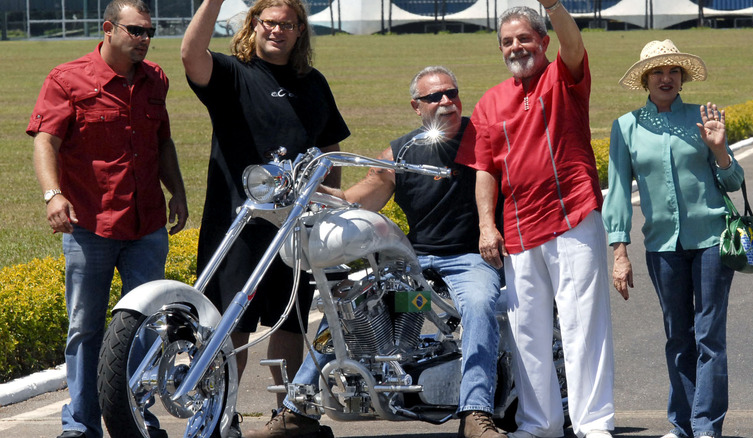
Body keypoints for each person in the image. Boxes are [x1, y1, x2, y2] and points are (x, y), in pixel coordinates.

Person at [247, 66, 506, 438]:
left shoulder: (481, 137)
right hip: (416, 268)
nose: (446, 102)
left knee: (479, 304)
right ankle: (298, 411)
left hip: (469, 259)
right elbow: (358, 199)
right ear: (416, 106)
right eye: (434, 97)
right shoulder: (400, 152)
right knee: (350, 305)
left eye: (451, 93)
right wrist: (312, 191)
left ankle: (475, 414)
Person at [181, 0, 350, 435]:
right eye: (269, 23)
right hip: (239, 224)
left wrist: (327, 195)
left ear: (299, 33)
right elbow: (190, 56)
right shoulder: (232, 74)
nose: (277, 31)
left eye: (287, 25)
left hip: (296, 226)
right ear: (254, 26)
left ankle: (292, 414)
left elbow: (330, 147)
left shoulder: (312, 82)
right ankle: (221, 415)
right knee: (230, 325)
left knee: (290, 321)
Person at [455, 3, 620, 438]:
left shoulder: (562, 76)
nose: (516, 47)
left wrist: (552, 6)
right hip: (519, 229)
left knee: (582, 324)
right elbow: (484, 168)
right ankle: (539, 424)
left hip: (573, 217)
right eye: (507, 41)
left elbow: (575, 42)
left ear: (543, 41)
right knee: (526, 332)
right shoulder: (490, 101)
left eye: (525, 38)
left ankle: (593, 423)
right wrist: (486, 226)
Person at [26, 0, 188, 437]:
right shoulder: (67, 79)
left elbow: (163, 141)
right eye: (135, 31)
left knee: (146, 329)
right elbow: (46, 142)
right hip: (89, 226)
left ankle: (136, 418)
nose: (144, 40)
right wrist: (52, 194)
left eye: (149, 32)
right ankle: (81, 424)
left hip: (147, 223)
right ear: (108, 28)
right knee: (85, 328)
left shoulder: (156, 79)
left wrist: (178, 191)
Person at [603, 40, 744, 438]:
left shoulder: (703, 118)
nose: (666, 78)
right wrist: (619, 252)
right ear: (645, 80)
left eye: (674, 72)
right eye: (658, 73)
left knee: (709, 335)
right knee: (677, 337)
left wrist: (720, 150)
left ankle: (705, 427)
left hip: (713, 240)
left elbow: (733, 181)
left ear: (682, 78)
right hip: (662, 247)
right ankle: (681, 424)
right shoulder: (625, 127)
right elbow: (616, 194)